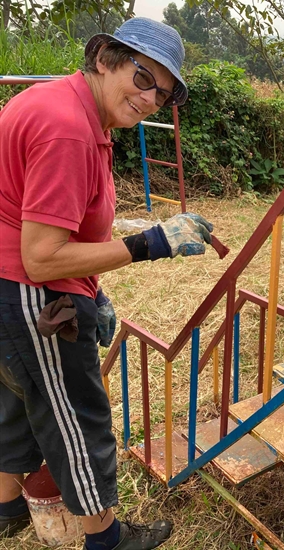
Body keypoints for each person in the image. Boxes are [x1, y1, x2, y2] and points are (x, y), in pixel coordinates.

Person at [0, 18, 220, 550]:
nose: (149, 98)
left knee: (17, 402)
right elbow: (41, 257)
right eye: (143, 77)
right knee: (75, 415)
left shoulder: (66, 106)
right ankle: (108, 540)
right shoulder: (68, 128)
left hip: (15, 289)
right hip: (31, 297)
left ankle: (5, 509)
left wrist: (92, 289)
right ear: (104, 57)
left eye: (162, 93)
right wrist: (149, 242)